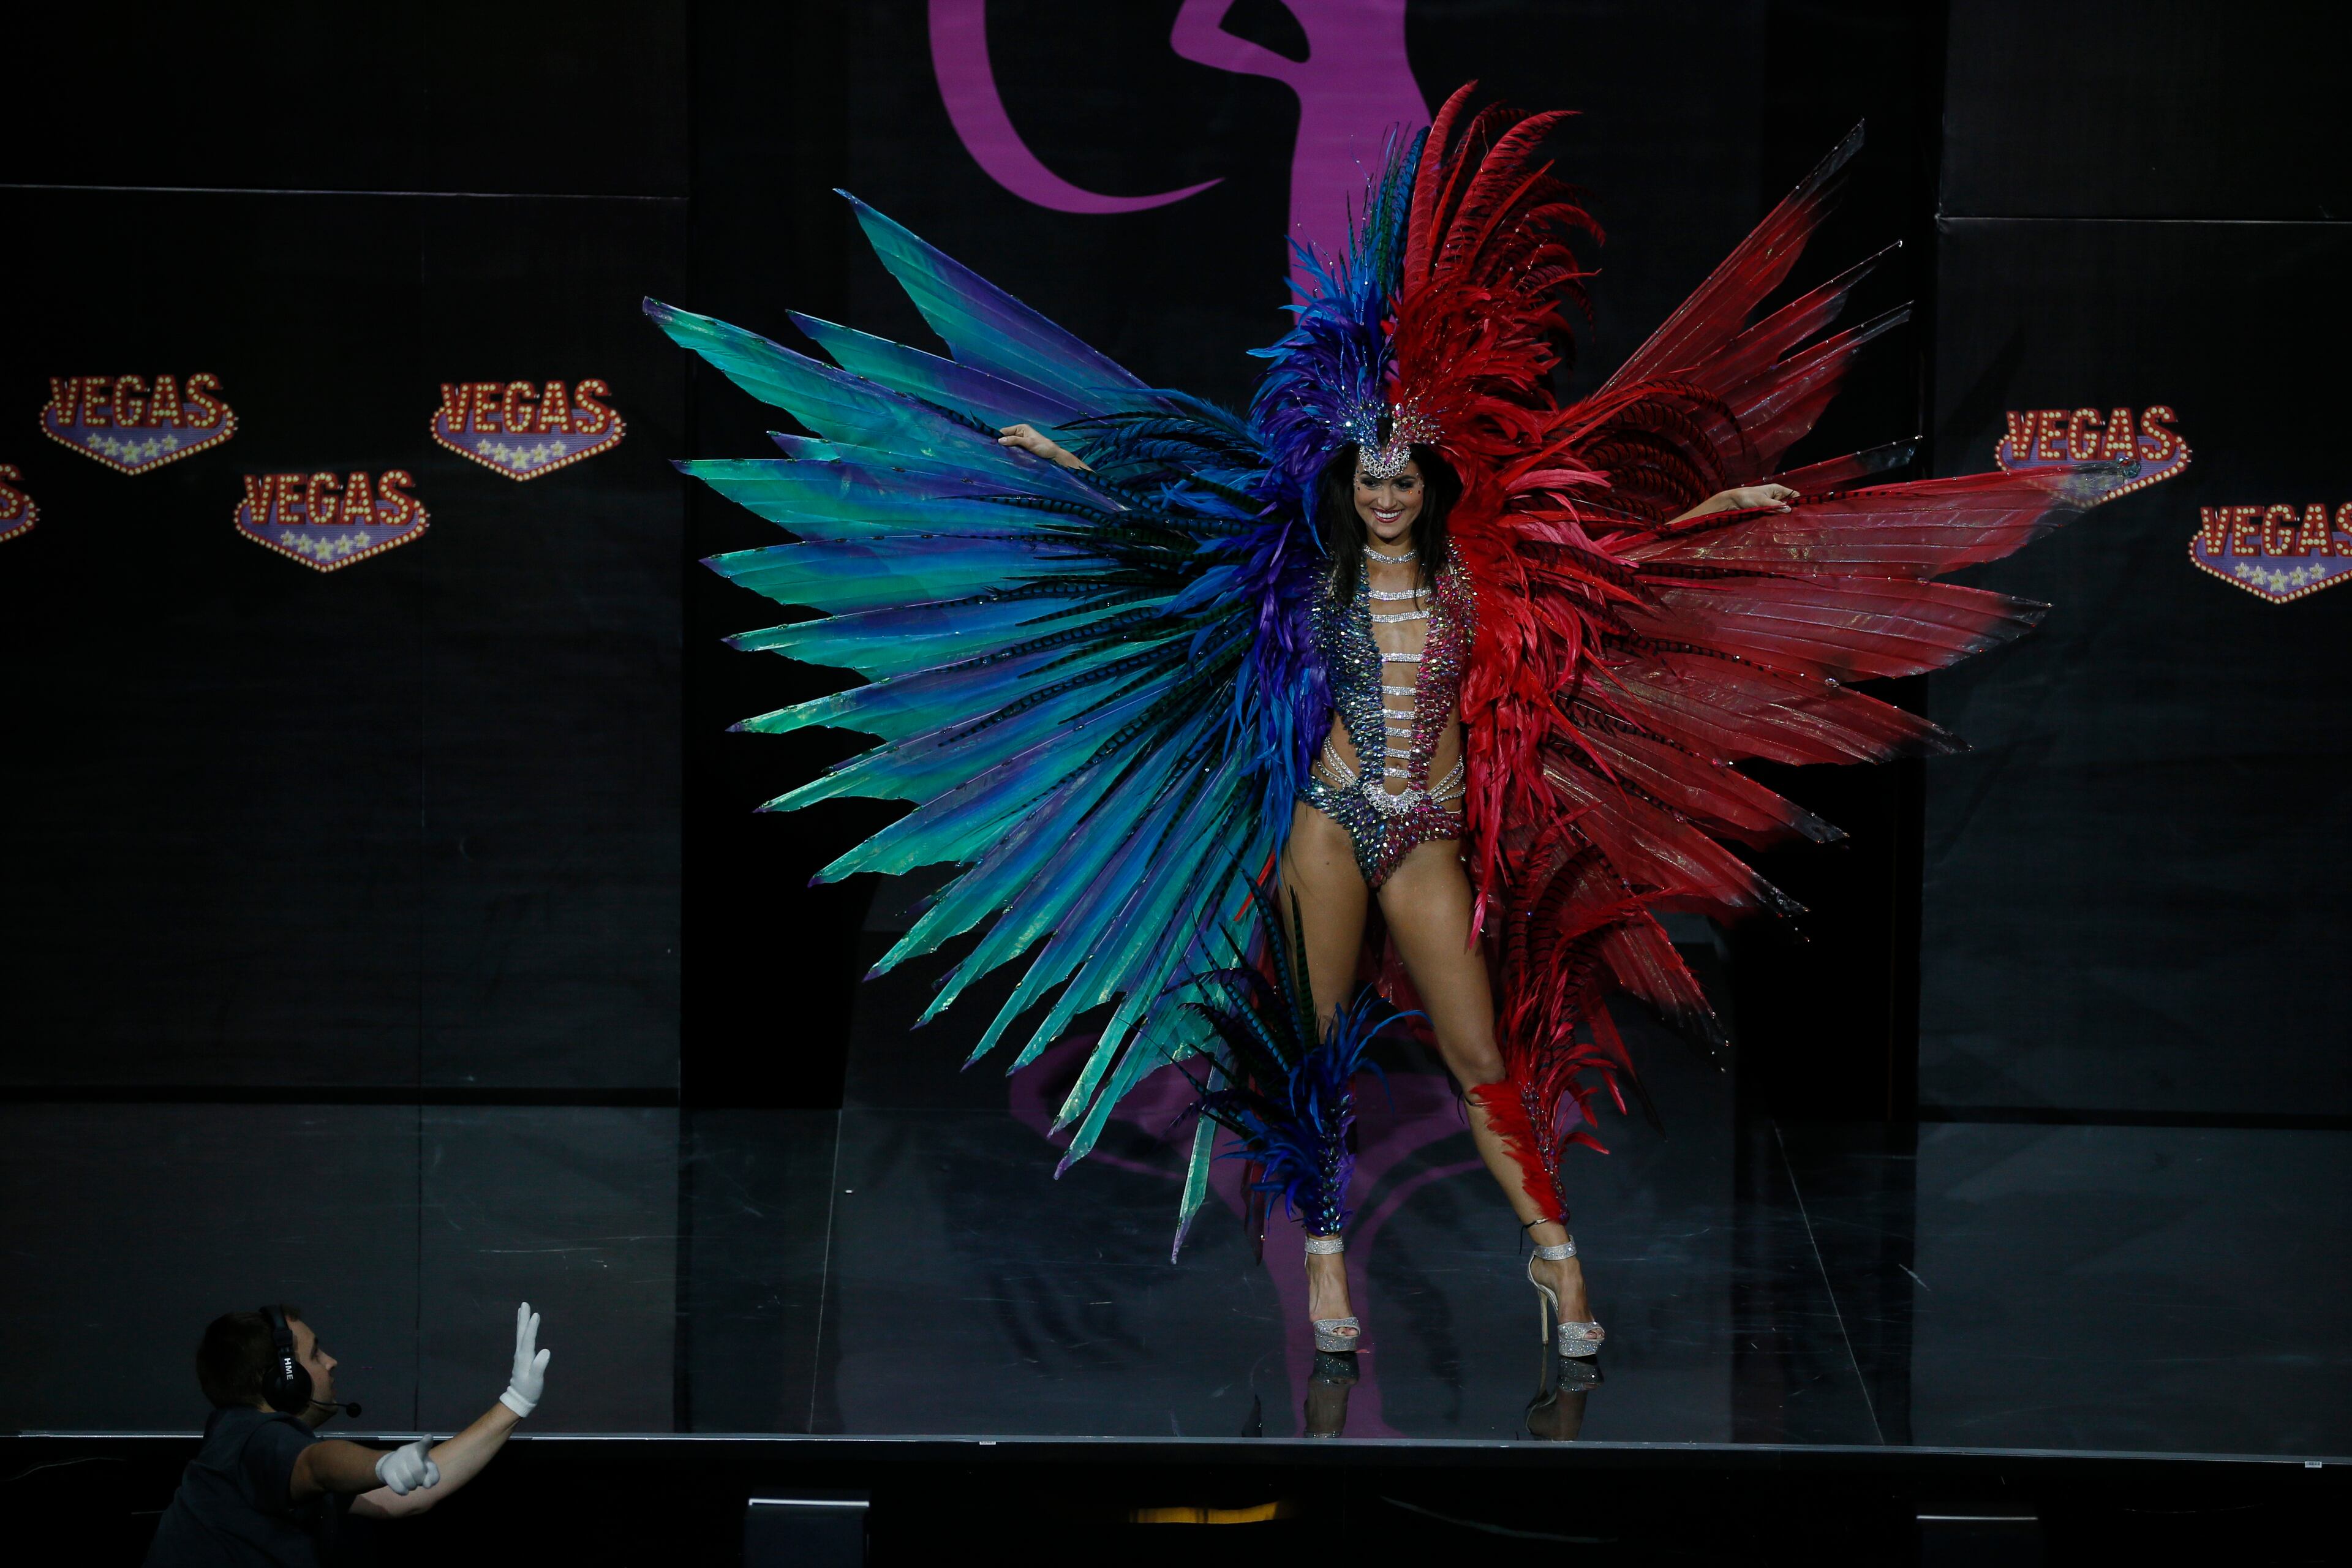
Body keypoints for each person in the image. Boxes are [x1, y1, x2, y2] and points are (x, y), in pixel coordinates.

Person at [649, 84, 2164, 1368]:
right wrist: (1055, 455)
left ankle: (1550, 1249)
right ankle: (1323, 1254)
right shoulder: (1290, 574)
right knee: (1308, 1045)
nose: (1382, 492)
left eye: (1401, 479)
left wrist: (1729, 504)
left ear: (1425, 489)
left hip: (1425, 829)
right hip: (1321, 821)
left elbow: (1623, 559)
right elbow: (1155, 517)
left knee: (1474, 1044)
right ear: (1344, 485)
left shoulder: (1482, 586)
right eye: (1366, 476)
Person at [144, 1302, 551, 1566]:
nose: (332, 1362)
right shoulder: (255, 1438)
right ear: (285, 1381)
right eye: (316, 1355)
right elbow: (319, 1464)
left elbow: (400, 1500)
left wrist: (514, 1403)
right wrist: (380, 1463)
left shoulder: (239, 1445)